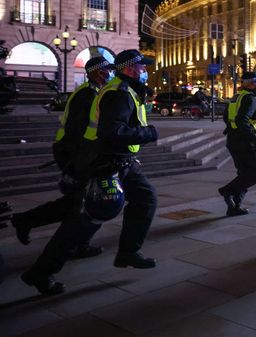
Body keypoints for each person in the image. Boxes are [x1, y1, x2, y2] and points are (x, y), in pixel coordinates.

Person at [21, 50, 160, 295]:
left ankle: (128, 252)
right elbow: (111, 132)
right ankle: (40, 273)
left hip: (121, 161)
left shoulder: (125, 91)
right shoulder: (118, 94)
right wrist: (148, 133)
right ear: (129, 69)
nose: (145, 70)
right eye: (141, 66)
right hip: (104, 164)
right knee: (86, 220)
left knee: (145, 199)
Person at [11, 56, 113, 257]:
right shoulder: (88, 95)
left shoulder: (91, 92)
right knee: (82, 203)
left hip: (76, 152)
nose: (109, 74)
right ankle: (31, 224)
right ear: (95, 72)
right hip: (75, 153)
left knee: (80, 202)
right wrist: (79, 161)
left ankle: (30, 222)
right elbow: (78, 130)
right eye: (105, 70)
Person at [219, 71, 256, 216]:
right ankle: (227, 190)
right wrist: (254, 138)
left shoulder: (236, 97)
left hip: (233, 140)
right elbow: (242, 120)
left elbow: (226, 116)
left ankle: (234, 206)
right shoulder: (250, 99)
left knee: (244, 174)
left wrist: (232, 128)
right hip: (245, 141)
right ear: (251, 84)